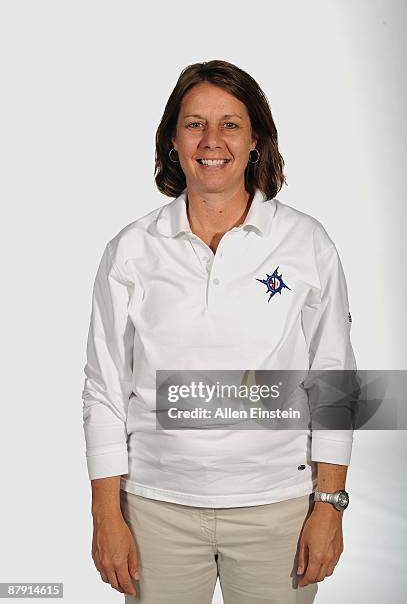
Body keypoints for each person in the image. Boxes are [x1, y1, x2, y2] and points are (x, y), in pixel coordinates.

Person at [82, 60, 356, 603]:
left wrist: (330, 506)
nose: (212, 141)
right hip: (155, 511)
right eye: (194, 124)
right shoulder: (131, 250)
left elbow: (337, 383)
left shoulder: (307, 244)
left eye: (230, 124)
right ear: (172, 141)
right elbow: (103, 389)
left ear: (255, 139)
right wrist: (105, 515)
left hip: (278, 510)